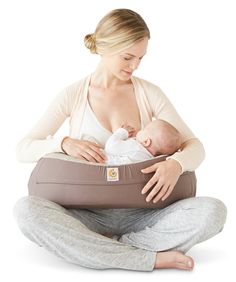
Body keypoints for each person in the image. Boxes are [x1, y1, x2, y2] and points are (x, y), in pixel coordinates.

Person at [13, 8, 227, 271]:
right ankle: (148, 257)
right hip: (85, 214)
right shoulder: (74, 95)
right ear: (104, 48)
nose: (135, 65)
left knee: (213, 212)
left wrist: (176, 164)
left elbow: (195, 146)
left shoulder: (149, 93)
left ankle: (102, 248)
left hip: (145, 213)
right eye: (127, 57)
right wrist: (63, 143)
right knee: (26, 211)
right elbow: (23, 149)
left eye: (140, 58)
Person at [104, 119, 182, 165]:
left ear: (146, 142)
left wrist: (122, 132)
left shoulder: (136, 148)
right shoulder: (148, 159)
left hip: (102, 164)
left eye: (144, 129)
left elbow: (110, 147)